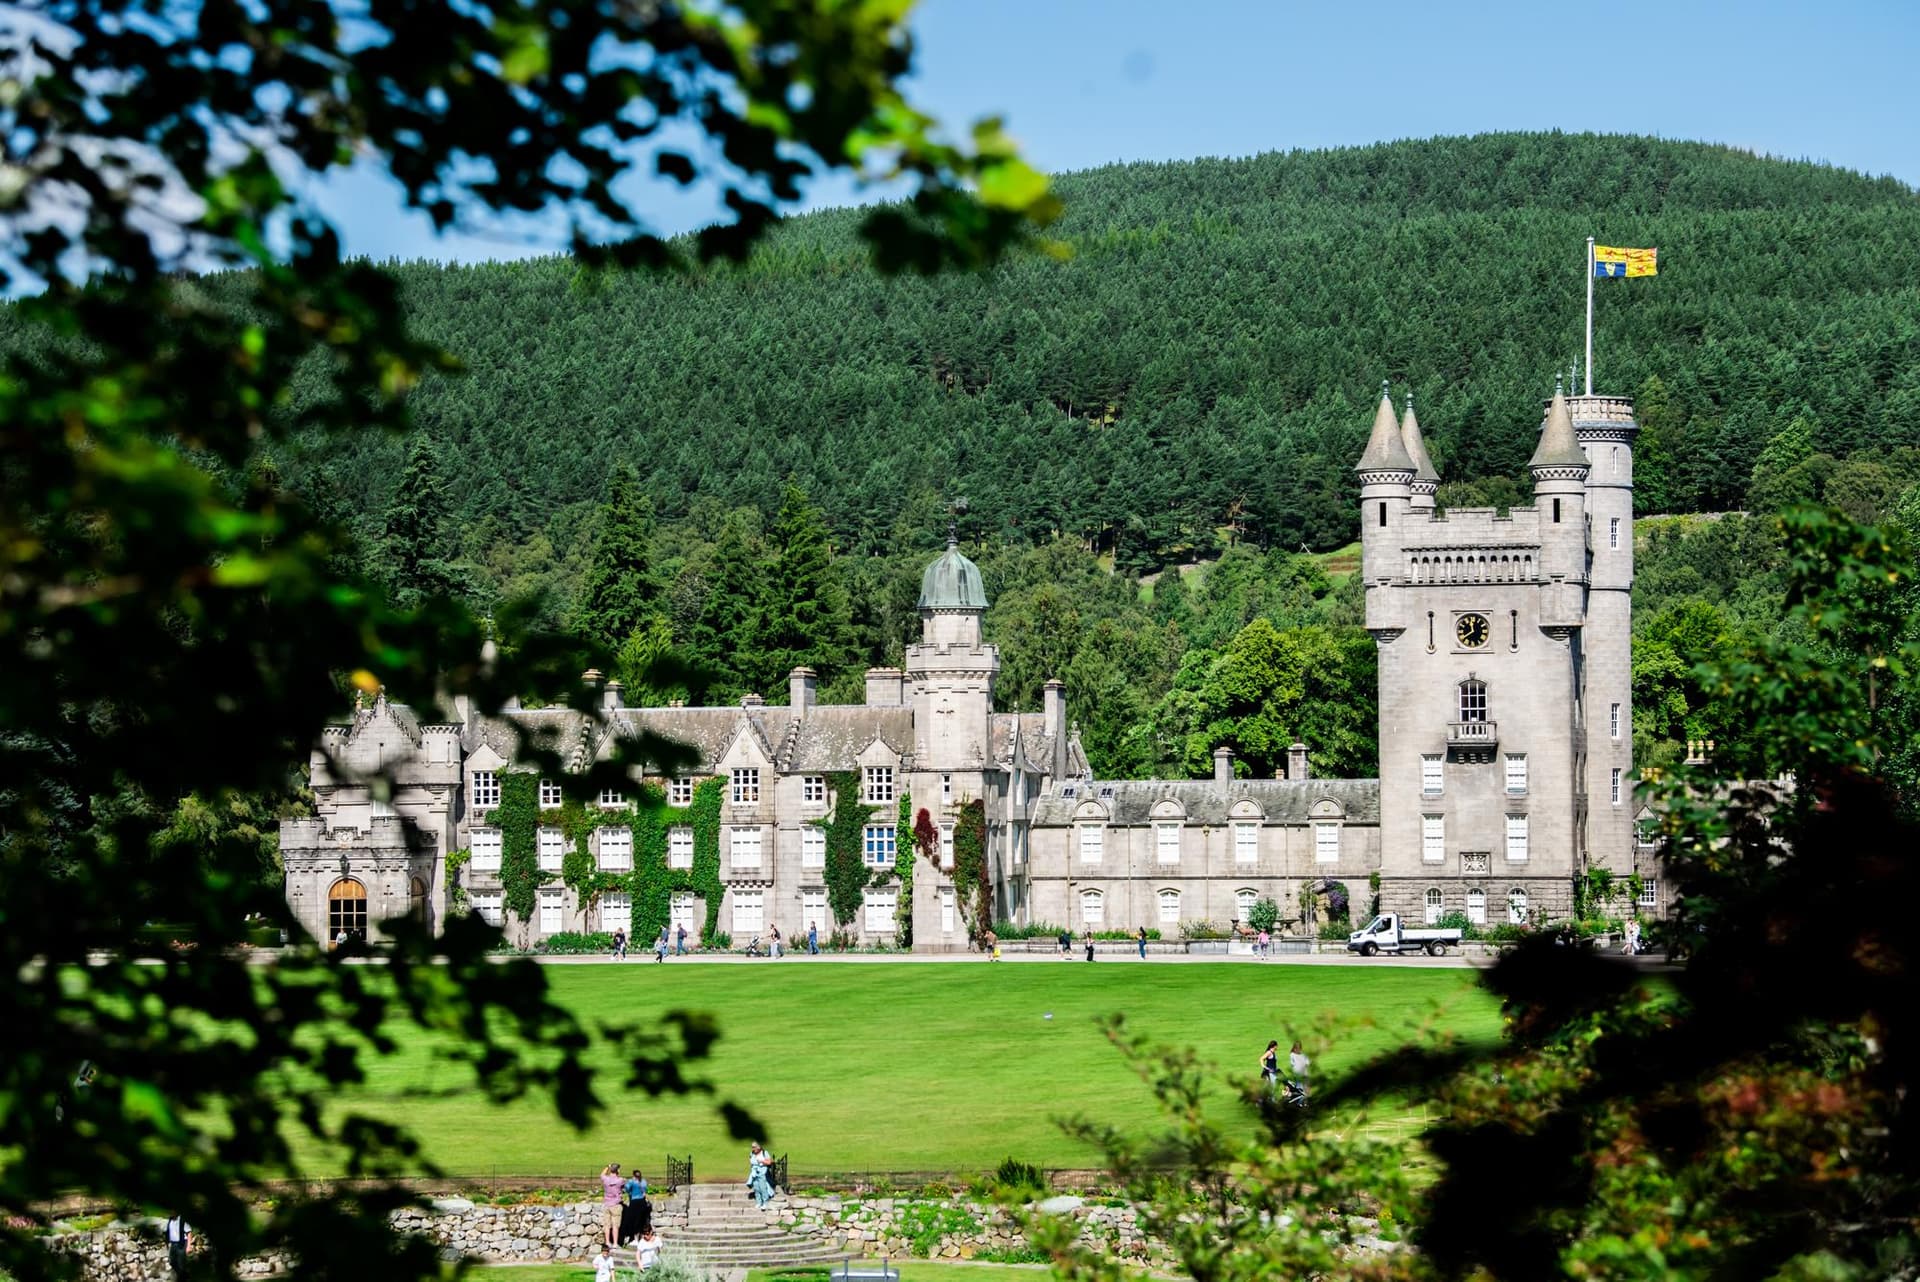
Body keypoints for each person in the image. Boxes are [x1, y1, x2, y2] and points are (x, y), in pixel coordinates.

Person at [619, 1167, 650, 1243]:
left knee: (631, 1220)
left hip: (634, 1202)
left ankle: (632, 1237)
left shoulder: (631, 1181)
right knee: (641, 1220)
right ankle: (639, 1236)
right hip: (642, 1203)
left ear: (633, 1175)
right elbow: (645, 1190)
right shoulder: (644, 1181)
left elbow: (626, 1189)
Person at [599, 1162, 623, 1244]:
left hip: (607, 1204)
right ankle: (615, 1243)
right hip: (616, 1204)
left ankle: (608, 1242)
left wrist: (607, 1167)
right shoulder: (620, 1180)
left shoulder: (605, 1179)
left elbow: (602, 1174)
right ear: (618, 1170)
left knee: (607, 1225)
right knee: (615, 1225)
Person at [746, 1141, 775, 1208]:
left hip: (762, 1172)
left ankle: (765, 1202)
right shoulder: (752, 1153)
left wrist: (762, 1161)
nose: (752, 1149)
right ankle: (759, 1202)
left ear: (758, 1147)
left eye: (754, 1147)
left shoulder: (765, 1153)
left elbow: (769, 1162)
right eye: (752, 1147)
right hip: (754, 1173)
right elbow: (751, 1161)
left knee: (763, 1188)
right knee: (756, 1188)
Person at [164, 1213, 192, 1279]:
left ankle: (183, 1277)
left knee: (181, 1264)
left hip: (181, 1244)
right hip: (173, 1244)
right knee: (172, 1262)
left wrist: (189, 1246)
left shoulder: (182, 1220)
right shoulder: (170, 1220)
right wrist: (167, 1243)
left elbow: (189, 1232)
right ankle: (184, 1276)